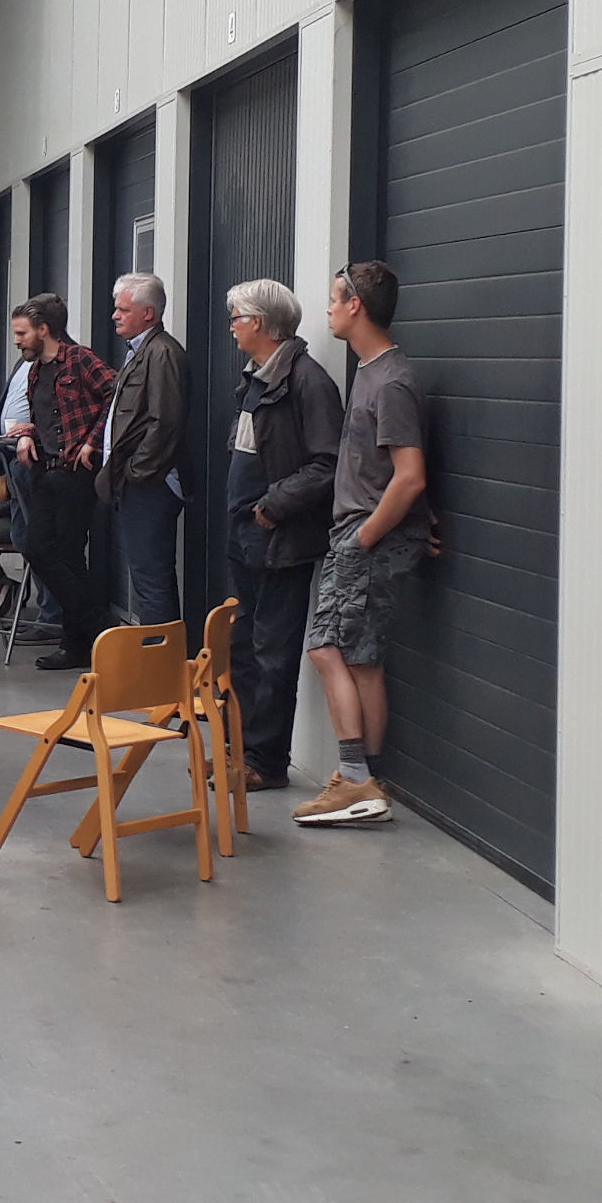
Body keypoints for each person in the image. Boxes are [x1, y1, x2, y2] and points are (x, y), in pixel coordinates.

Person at [298, 262, 433, 826]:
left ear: (356, 305)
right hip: (365, 535)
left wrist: (364, 537)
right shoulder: (371, 371)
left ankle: (354, 779)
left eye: (335, 299)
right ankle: (367, 781)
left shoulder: (391, 381)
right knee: (361, 658)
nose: (328, 308)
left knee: (325, 649)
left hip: (364, 540)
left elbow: (411, 476)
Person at [221, 277, 342, 794]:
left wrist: (271, 508)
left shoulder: (308, 382)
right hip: (244, 533)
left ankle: (266, 763)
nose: (232, 327)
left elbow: (326, 463)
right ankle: (239, 751)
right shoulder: (257, 378)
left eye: (237, 318)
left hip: (278, 537)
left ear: (263, 325)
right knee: (242, 646)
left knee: (273, 651)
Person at [9, 292, 115, 671]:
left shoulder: (80, 359)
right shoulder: (35, 371)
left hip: (75, 473)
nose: (17, 341)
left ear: (44, 329)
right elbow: (47, 415)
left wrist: (93, 441)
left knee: (69, 555)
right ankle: (98, 625)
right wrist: (28, 433)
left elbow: (115, 393)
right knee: (37, 547)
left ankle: (75, 644)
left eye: (22, 333)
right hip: (45, 471)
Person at [94, 272, 188, 626]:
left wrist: (136, 473)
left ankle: (158, 654)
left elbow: (165, 422)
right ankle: (155, 650)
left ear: (148, 313)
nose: (115, 316)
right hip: (139, 483)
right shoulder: (141, 352)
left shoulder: (161, 354)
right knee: (146, 575)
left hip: (150, 485)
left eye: (123, 309)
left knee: (152, 578)